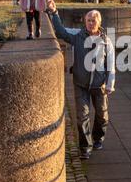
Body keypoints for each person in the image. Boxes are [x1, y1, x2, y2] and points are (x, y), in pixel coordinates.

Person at [48, 9, 116, 160]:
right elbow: (60, 32)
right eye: (88, 20)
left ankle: (98, 138)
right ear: (85, 22)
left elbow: (110, 64)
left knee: (102, 115)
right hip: (81, 85)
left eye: (93, 20)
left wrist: (110, 84)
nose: (91, 23)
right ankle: (85, 147)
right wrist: (54, 13)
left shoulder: (106, 41)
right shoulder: (77, 36)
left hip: (100, 86)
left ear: (99, 23)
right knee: (82, 116)